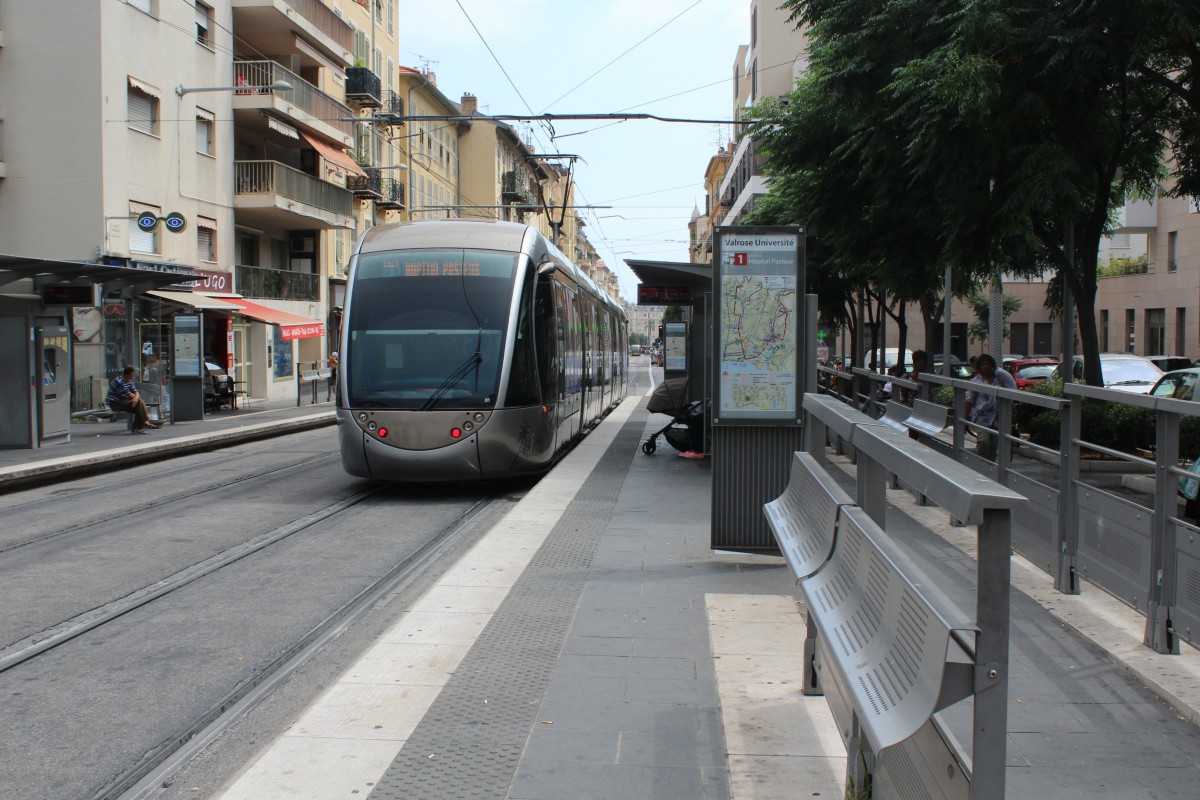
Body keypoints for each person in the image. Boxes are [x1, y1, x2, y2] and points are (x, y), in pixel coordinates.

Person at [963, 353, 1016, 459]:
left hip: (996, 417)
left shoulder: (998, 380)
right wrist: (964, 420)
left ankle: (989, 469)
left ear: (992, 365)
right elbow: (969, 401)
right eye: (983, 365)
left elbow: (1006, 397)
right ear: (979, 366)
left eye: (988, 364)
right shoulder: (976, 381)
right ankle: (981, 465)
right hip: (981, 416)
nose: (986, 367)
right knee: (984, 442)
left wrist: (1012, 411)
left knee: (993, 446)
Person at [106, 365, 156, 433]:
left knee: (139, 406)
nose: (133, 375)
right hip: (115, 403)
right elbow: (130, 394)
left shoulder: (128, 381)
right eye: (133, 374)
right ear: (129, 374)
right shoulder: (118, 382)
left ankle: (139, 426)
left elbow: (136, 393)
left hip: (124, 400)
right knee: (139, 404)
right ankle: (142, 424)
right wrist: (135, 398)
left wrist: (135, 399)